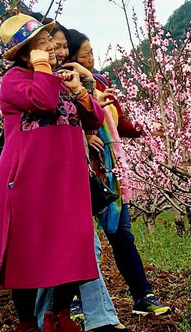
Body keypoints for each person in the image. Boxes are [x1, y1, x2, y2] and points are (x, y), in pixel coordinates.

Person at [0, 13, 106, 332]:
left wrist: (79, 92)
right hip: (28, 179)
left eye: (51, 42)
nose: (52, 48)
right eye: (42, 44)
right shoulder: (14, 80)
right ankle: (28, 323)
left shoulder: (58, 79)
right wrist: (45, 70)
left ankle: (58, 318)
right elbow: (41, 103)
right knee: (27, 248)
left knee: (76, 242)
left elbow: (94, 119)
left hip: (67, 179)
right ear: (26, 52)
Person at [33, 21, 131, 332]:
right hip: (48, 176)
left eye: (62, 45)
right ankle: (53, 316)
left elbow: (92, 117)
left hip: (75, 174)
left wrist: (84, 89)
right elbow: (45, 112)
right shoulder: (34, 82)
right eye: (54, 44)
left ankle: (72, 315)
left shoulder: (67, 80)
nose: (58, 51)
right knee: (76, 245)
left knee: (84, 245)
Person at [69, 30, 172, 316]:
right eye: (85, 54)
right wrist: (83, 135)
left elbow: (119, 122)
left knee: (122, 234)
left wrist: (147, 130)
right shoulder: (65, 85)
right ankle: (74, 301)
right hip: (79, 167)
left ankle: (143, 296)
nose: (91, 58)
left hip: (109, 169)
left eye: (92, 52)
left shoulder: (101, 83)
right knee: (78, 236)